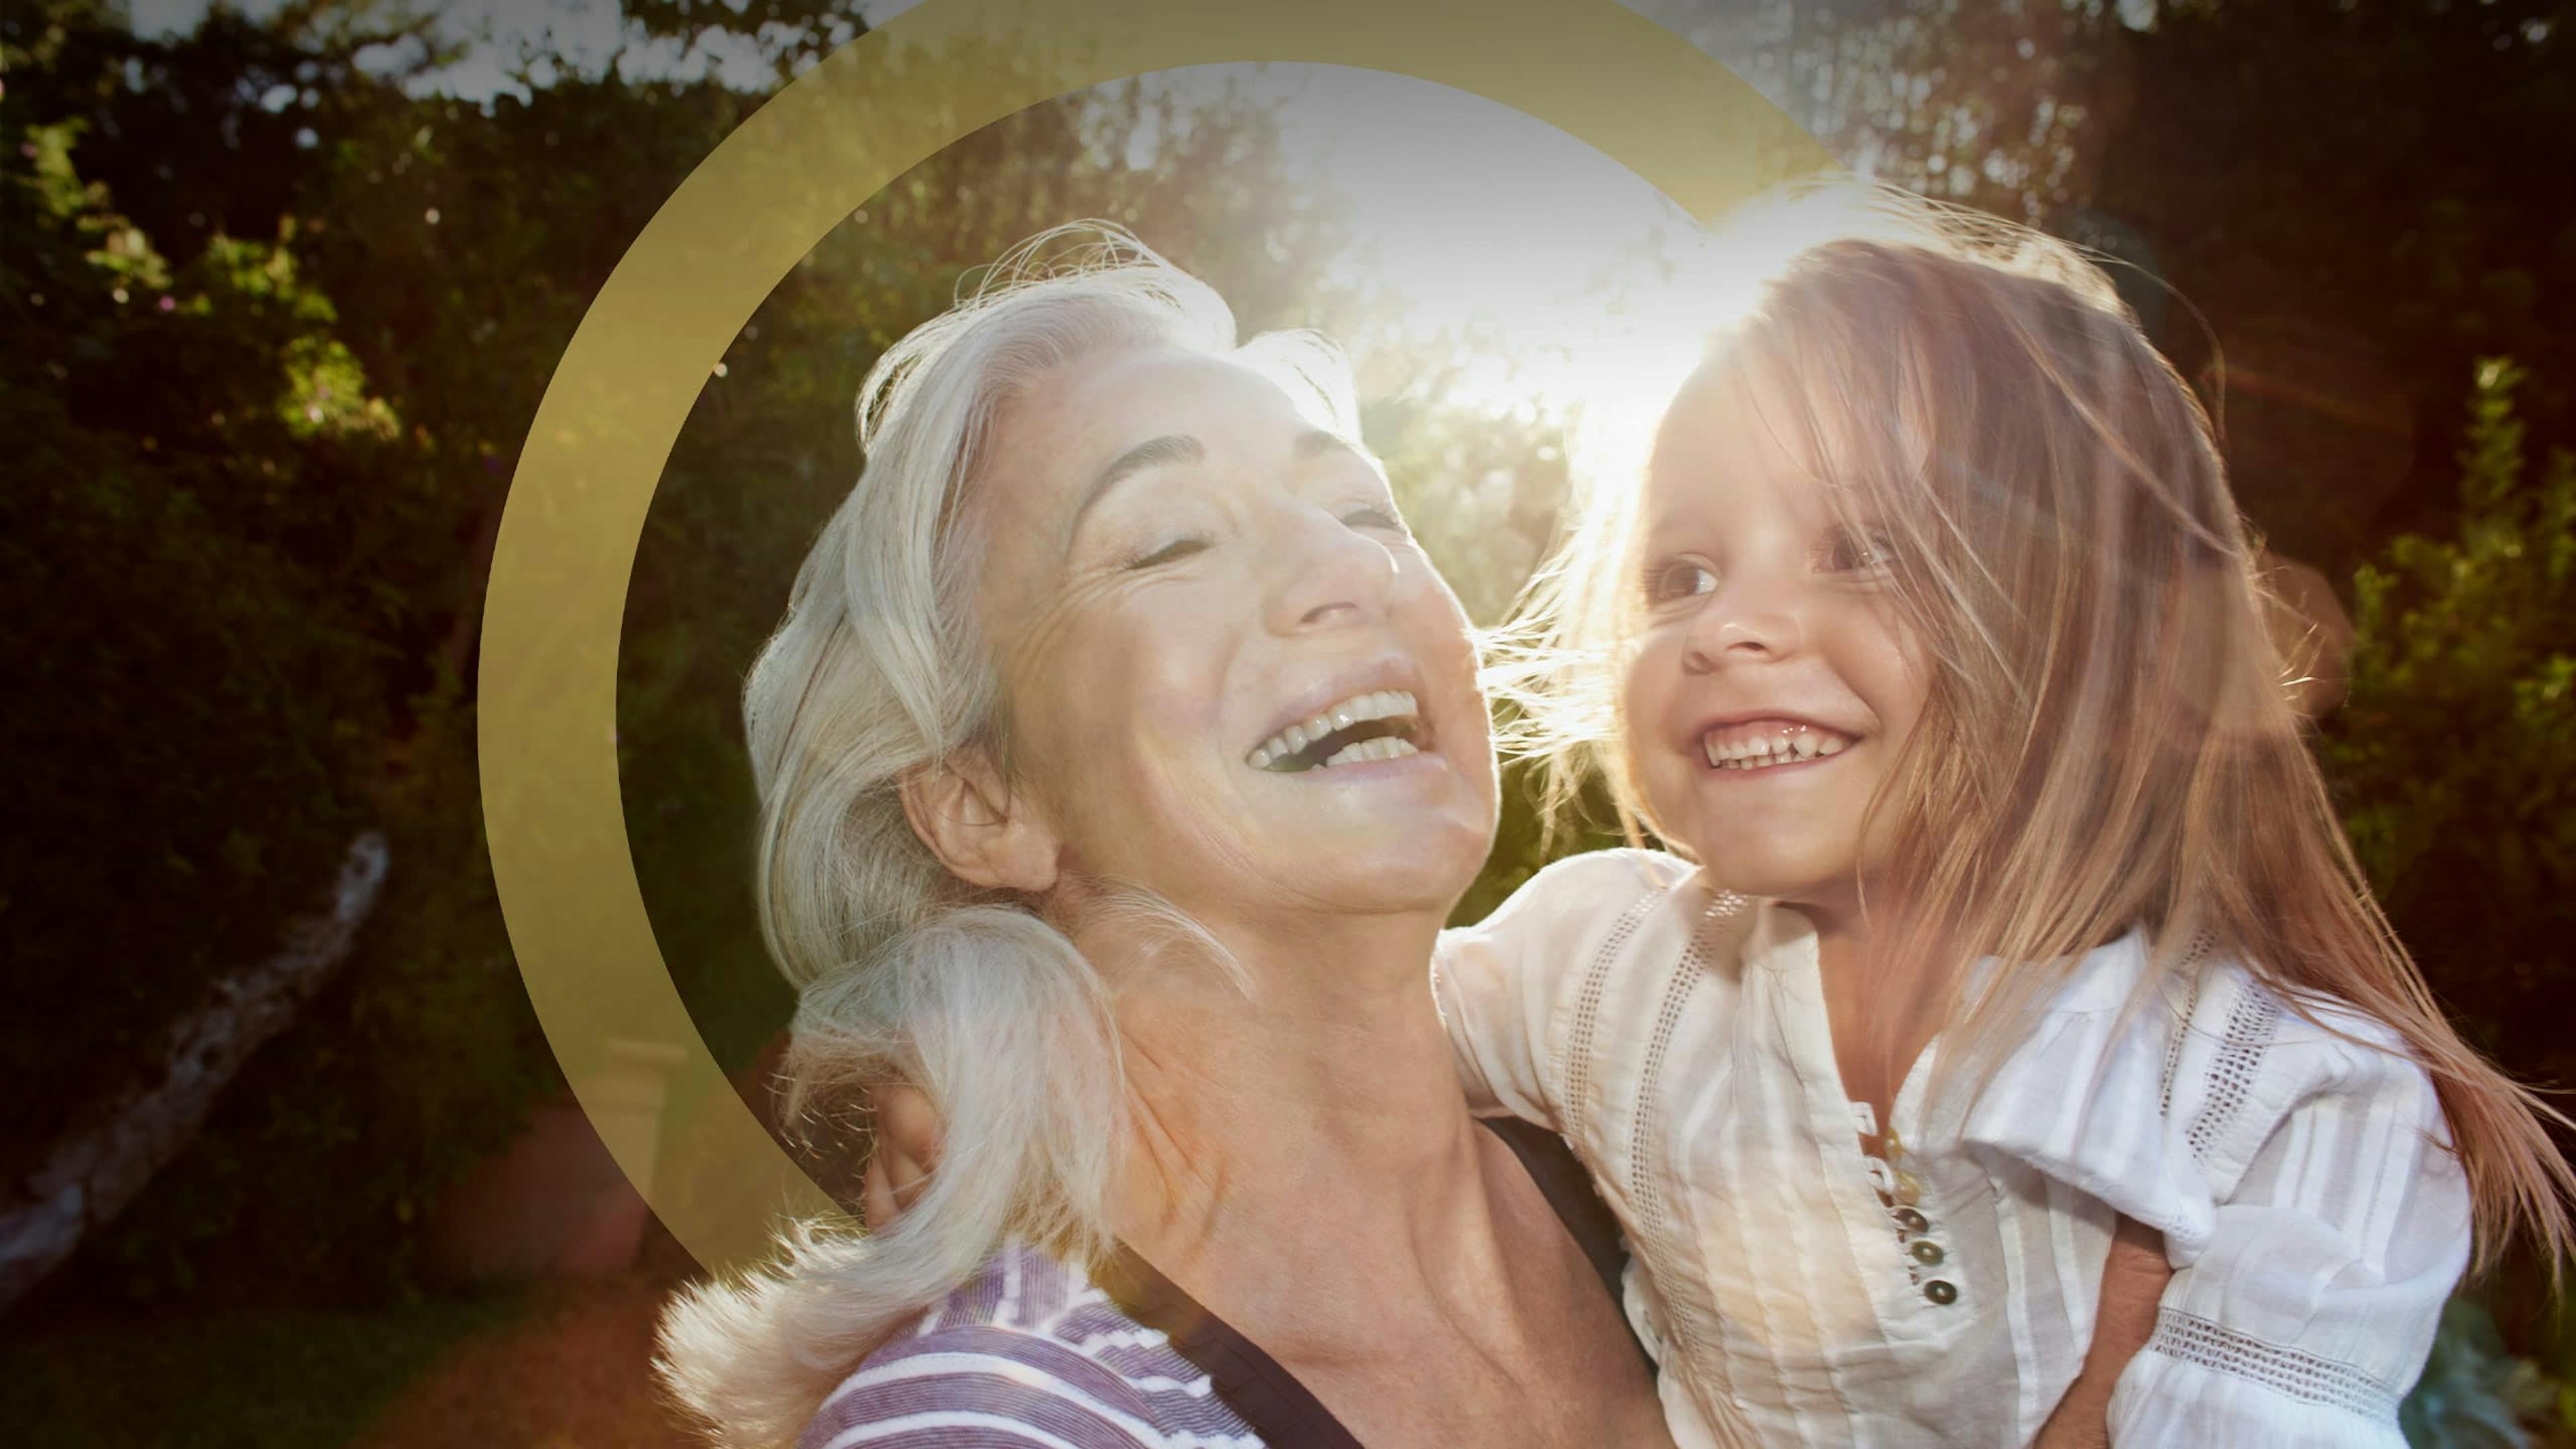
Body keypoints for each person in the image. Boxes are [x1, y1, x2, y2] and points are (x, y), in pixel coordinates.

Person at [1424, 184, 2576, 1445]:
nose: (1726, 626)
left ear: (2115, 645)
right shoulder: (1596, 966)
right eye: (1681, 574)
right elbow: (1265, 1052)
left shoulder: (2291, 1101)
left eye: (1862, 547)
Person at [653, 226, 1673, 1448]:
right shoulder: (996, 1427)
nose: (1346, 564)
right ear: (983, 801)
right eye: (1172, 539)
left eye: (1364, 507)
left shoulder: (1696, 1163)